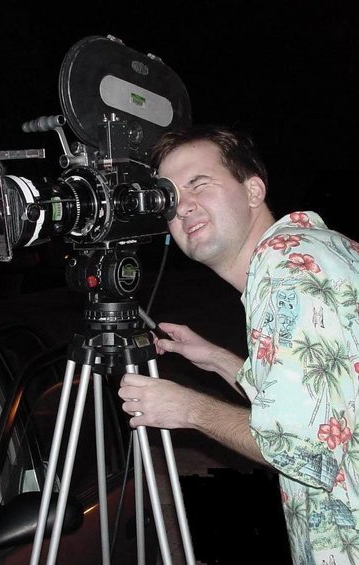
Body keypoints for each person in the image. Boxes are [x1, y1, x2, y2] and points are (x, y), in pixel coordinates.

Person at [118, 124, 359, 564]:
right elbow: (321, 403)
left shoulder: (289, 274)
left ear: (253, 190)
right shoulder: (307, 251)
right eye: (171, 196)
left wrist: (188, 409)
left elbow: (305, 451)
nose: (183, 206)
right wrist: (217, 360)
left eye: (199, 184)